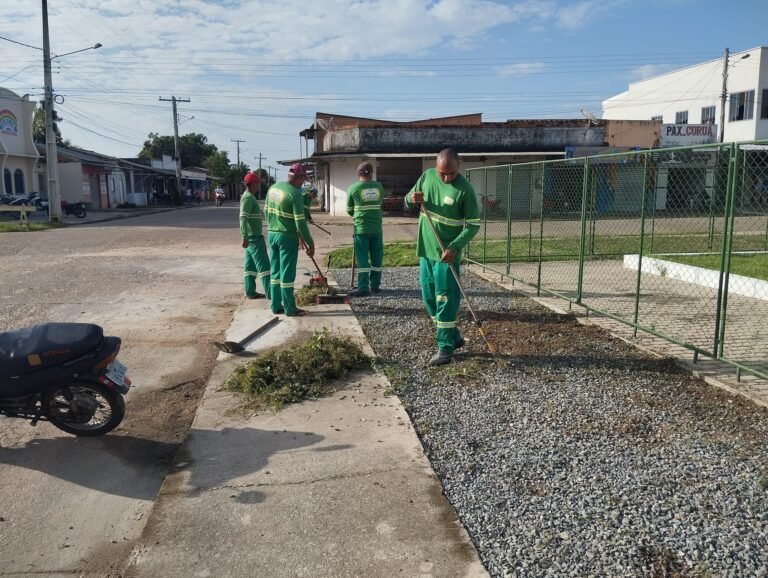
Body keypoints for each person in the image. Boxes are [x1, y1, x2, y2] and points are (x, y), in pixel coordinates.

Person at [404, 148, 480, 366]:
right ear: (435, 167)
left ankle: (445, 348)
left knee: (444, 300)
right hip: (426, 251)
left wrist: (454, 247)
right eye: (442, 174)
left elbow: (473, 226)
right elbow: (408, 201)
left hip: (446, 256)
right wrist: (411, 198)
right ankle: (454, 337)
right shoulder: (426, 176)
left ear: (459, 166)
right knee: (429, 298)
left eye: (452, 174)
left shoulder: (465, 191)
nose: (446, 178)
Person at [264, 163, 315, 316]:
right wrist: (309, 242)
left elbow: (266, 211)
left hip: (272, 234)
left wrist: (274, 225)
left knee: (275, 272)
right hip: (287, 237)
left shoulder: (273, 188)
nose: (303, 183)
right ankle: (289, 308)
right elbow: (300, 222)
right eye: (303, 179)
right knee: (287, 273)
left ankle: (275, 305)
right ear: (299, 177)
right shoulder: (295, 194)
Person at [346, 162, 384, 296]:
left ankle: (363, 287)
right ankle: (375, 286)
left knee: (362, 258)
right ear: (371, 173)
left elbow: (349, 210)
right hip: (377, 229)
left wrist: (358, 216)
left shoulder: (353, 188)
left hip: (361, 229)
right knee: (377, 257)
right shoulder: (379, 187)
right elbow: (379, 205)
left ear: (358, 174)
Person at [240, 172, 270, 300]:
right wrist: (244, 236)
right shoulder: (248, 198)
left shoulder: (249, 197)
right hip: (253, 239)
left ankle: (250, 292)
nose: (259, 185)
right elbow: (242, 218)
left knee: (250, 267)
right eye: (258, 183)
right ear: (252, 184)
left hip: (252, 238)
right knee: (264, 267)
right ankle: (272, 294)